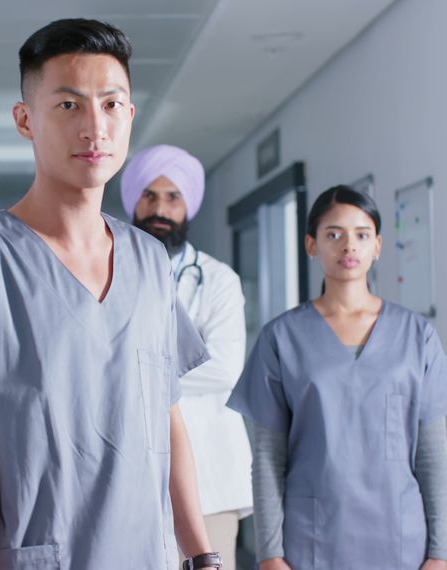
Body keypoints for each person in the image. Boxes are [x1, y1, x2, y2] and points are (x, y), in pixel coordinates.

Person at [0, 19, 221, 570]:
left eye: (111, 105)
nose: (95, 128)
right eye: (69, 106)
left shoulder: (148, 262)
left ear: (130, 116)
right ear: (25, 119)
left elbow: (167, 419)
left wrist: (203, 555)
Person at [227, 185, 447, 570]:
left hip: (400, 538)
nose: (348, 246)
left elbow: (432, 455)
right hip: (313, 539)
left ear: (378, 246)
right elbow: (268, 458)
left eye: (361, 234)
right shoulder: (281, 338)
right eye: (333, 234)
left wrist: (441, 553)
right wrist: (270, 552)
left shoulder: (417, 336)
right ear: (311, 244)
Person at [121, 144, 252, 569]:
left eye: (172, 197)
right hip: (130, 479)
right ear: (133, 202)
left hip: (209, 481)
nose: (160, 208)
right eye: (149, 195)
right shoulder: (111, 271)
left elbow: (224, 368)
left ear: (188, 206)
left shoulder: (218, 281)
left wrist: (132, 368)